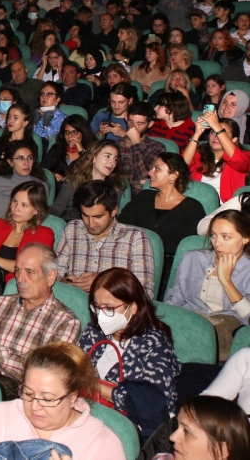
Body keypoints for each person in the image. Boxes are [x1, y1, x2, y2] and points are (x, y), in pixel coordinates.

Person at [0, 343, 127, 460]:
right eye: (28, 394)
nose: (35, 406)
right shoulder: (0, 416)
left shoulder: (101, 442)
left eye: (47, 399)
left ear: (73, 397)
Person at [0, 244, 81, 397]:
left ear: (50, 277)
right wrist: (18, 364)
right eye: (18, 270)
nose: (20, 278)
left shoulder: (66, 322)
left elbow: (40, 377)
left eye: (29, 272)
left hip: (20, 399)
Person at [78, 267, 181, 432]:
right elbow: (73, 368)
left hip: (127, 427)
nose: (101, 315)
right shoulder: (95, 330)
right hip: (86, 414)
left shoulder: (154, 342)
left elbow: (155, 404)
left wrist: (95, 386)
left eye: (109, 309)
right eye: (97, 307)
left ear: (133, 307)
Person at [165, 209, 250, 361]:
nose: (217, 243)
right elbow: (175, 297)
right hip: (188, 322)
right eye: (213, 235)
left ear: (245, 238)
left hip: (223, 332)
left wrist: (226, 281)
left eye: (226, 237)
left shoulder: (248, 270)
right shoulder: (193, 258)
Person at [59, 179, 155, 298]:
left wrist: (104, 282)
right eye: (85, 215)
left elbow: (145, 292)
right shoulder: (72, 229)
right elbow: (53, 275)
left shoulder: (135, 238)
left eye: (98, 217)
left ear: (113, 211)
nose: (91, 223)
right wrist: (66, 282)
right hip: (72, 303)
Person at [0, 180, 53, 291]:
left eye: (24, 205)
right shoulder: (0, 225)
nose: (16, 208)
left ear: (36, 210)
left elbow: (28, 268)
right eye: (14, 201)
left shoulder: (44, 234)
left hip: (16, 288)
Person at [119, 152, 203, 261]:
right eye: (152, 168)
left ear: (173, 175)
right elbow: (121, 226)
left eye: (157, 169)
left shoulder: (192, 208)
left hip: (169, 265)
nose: (150, 172)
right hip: (132, 257)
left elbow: (190, 248)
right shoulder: (144, 197)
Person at [184, 109, 249, 203]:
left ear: (234, 140)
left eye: (221, 132)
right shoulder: (199, 153)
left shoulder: (245, 155)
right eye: (213, 131)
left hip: (224, 206)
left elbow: (238, 160)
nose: (216, 136)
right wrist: (197, 134)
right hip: (195, 201)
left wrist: (216, 126)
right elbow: (182, 166)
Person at [50, 140, 125, 221]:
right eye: (107, 156)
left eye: (115, 159)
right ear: (93, 157)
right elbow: (58, 207)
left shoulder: (115, 187)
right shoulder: (74, 179)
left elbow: (111, 218)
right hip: (68, 224)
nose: (112, 163)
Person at [0, 140, 49, 222]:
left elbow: (39, 217)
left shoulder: (39, 186)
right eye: (21, 158)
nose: (26, 163)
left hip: (21, 226)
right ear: (10, 162)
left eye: (30, 158)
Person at [117, 101, 166, 195]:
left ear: (150, 124)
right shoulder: (117, 145)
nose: (134, 127)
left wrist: (136, 143)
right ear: (126, 118)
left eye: (140, 123)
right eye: (131, 122)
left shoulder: (156, 148)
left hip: (139, 196)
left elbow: (144, 176)